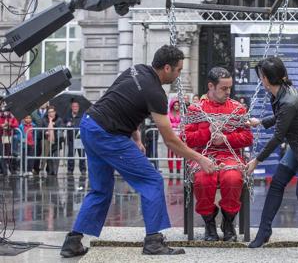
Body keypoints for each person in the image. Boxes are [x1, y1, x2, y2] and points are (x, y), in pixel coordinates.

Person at [60, 45, 215, 258]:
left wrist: (136, 138)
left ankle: (72, 242)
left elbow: (119, 99)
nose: (179, 74)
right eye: (178, 70)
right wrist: (200, 158)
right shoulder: (156, 93)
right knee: (152, 180)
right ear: (167, 68)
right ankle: (153, 242)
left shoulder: (136, 69)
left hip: (90, 124)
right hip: (108, 134)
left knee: (100, 189)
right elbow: (170, 140)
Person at [245, 57, 298, 252]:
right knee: (277, 183)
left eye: (261, 76)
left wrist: (256, 161)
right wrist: (261, 122)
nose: (260, 79)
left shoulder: (289, 99)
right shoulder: (281, 94)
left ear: (266, 79)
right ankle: (264, 231)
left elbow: (277, 138)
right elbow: (283, 117)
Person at [185, 67, 253, 242]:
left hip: (230, 155)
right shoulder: (196, 109)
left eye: (229, 88)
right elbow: (187, 139)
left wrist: (225, 139)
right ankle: (209, 222)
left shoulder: (237, 109)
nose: (228, 92)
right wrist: (207, 134)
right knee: (203, 178)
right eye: (223, 88)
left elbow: (247, 137)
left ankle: (228, 221)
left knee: (232, 178)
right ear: (211, 86)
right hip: (203, 155)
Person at [64, 100, 86, 174]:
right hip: (71, 139)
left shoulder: (82, 116)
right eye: (73, 106)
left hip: (80, 139)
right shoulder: (67, 116)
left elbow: (85, 125)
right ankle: (70, 170)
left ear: (78, 108)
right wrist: (67, 125)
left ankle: (83, 170)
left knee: (81, 155)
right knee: (70, 155)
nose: (75, 108)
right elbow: (63, 125)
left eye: (76, 106)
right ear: (71, 107)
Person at [42, 105, 63, 175]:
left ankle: (56, 171)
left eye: (52, 112)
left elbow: (62, 127)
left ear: (55, 112)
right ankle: (50, 171)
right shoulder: (45, 119)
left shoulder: (59, 119)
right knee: (49, 156)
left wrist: (55, 124)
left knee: (56, 156)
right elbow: (43, 127)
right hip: (48, 140)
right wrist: (47, 130)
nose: (51, 113)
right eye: (49, 112)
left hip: (57, 140)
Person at [167, 99, 182, 174]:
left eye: (178, 105)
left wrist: (176, 126)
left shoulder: (181, 114)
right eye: (175, 105)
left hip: (179, 136)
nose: (176, 106)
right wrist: (176, 125)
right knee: (170, 153)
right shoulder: (169, 114)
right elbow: (168, 124)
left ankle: (178, 170)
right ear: (172, 105)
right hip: (171, 135)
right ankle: (171, 170)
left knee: (178, 153)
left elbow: (183, 124)